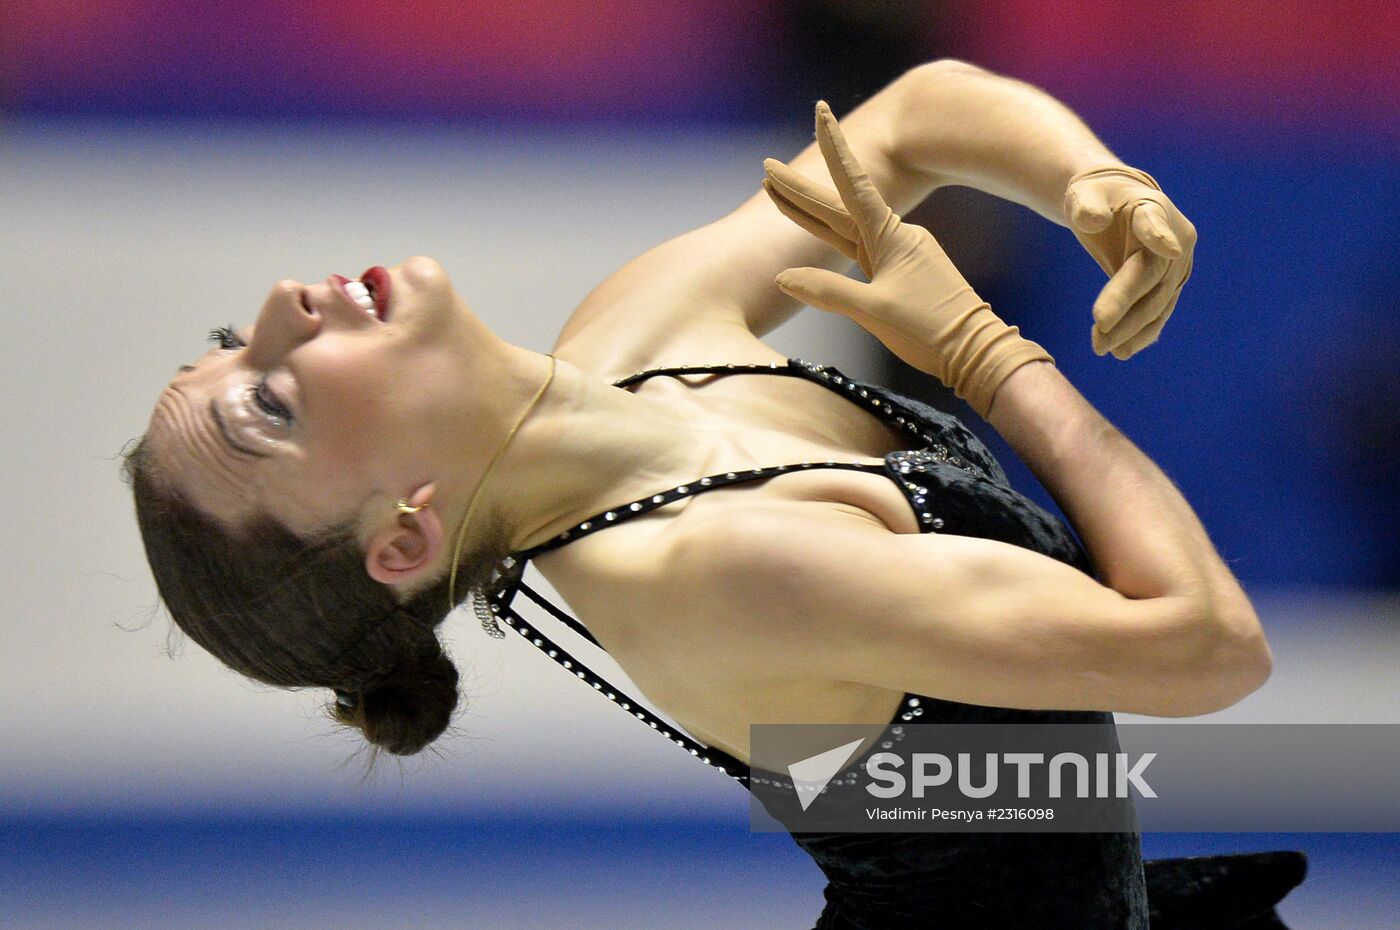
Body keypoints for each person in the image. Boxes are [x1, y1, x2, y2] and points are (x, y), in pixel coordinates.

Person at [124, 61, 1306, 927]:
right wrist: (992, 363)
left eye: (234, 339)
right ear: (403, 535)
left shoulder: (630, 335)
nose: (286, 303)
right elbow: (1205, 651)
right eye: (269, 405)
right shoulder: (717, 575)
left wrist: (1087, 181)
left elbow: (900, 125)